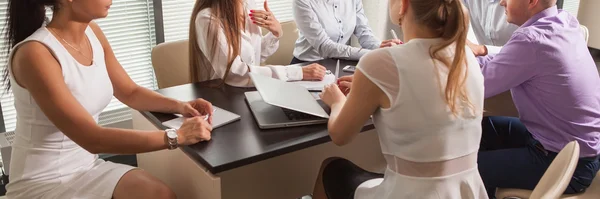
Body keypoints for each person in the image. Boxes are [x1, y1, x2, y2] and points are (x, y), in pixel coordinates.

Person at [4, 0, 215, 198]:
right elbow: (91, 138)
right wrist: (176, 136)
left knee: (160, 194)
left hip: (87, 167)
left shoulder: (92, 33)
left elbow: (129, 91)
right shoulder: (35, 54)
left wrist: (180, 106)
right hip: (41, 182)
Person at [311, 0, 488, 198]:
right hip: (466, 192)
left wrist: (336, 100)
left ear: (403, 5)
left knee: (331, 168)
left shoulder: (380, 63)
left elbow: (340, 135)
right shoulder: (466, 56)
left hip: (410, 193)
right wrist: (368, 86)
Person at [474, 0, 600, 198]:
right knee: (483, 127)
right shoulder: (563, 21)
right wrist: (476, 54)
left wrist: (446, 61)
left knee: (469, 169)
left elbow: (475, 88)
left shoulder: (531, 40)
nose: (501, 2)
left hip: (567, 164)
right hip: (577, 151)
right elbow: (511, 58)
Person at [189, 0, 326, 87]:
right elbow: (235, 73)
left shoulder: (247, 7)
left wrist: (275, 33)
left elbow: (254, 58)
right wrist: (296, 72)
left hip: (249, 93)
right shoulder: (207, 19)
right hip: (222, 100)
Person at [291, 0, 402, 64]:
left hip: (339, 62)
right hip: (306, 64)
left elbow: (364, 32)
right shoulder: (302, 1)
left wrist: (379, 47)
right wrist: (372, 54)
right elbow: (325, 47)